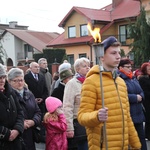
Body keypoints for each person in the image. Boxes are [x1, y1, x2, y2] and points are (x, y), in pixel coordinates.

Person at [77, 36, 141, 150]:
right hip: (102, 145)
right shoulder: (91, 81)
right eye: (113, 53)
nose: (118, 56)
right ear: (102, 56)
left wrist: (136, 144)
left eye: (119, 53)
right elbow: (82, 117)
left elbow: (127, 118)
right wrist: (96, 116)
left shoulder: (121, 82)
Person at [7, 67, 42, 150]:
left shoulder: (29, 94)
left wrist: (33, 121)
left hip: (30, 134)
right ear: (9, 81)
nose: (19, 83)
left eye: (21, 80)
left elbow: (38, 112)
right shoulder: (8, 96)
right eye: (16, 80)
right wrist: (21, 124)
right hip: (16, 136)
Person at [118, 58, 147, 150]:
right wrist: (135, 98)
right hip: (129, 113)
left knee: (141, 138)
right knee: (131, 140)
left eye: (130, 66)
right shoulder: (120, 79)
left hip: (138, 112)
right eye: (127, 67)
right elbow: (121, 94)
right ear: (120, 68)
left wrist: (141, 96)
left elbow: (141, 91)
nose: (130, 69)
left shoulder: (133, 78)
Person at [63, 57, 90, 150]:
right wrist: (69, 128)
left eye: (88, 66)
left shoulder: (90, 82)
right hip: (79, 124)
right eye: (84, 66)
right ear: (77, 69)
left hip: (91, 122)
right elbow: (67, 106)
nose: (88, 68)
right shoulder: (72, 84)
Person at [0, 64, 24, 150]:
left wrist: (17, 129)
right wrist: (6, 133)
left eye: (3, 77)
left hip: (15, 142)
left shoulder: (10, 92)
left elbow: (20, 112)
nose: (2, 80)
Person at [24, 62, 49, 142]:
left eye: (38, 67)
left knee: (42, 120)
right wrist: (33, 99)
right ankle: (35, 136)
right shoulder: (27, 77)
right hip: (31, 102)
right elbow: (26, 90)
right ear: (30, 68)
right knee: (33, 120)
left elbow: (45, 89)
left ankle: (41, 136)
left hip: (41, 103)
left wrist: (42, 98)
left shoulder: (41, 77)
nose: (38, 68)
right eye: (35, 67)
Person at [139, 62, 150, 140]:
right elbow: (144, 91)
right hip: (147, 101)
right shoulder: (143, 78)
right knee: (148, 118)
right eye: (149, 69)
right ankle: (147, 134)